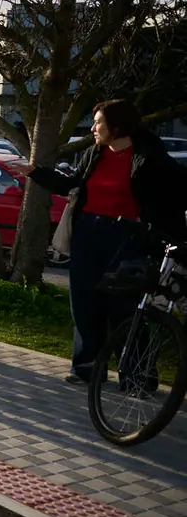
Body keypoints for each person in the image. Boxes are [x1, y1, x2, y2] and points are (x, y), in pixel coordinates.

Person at [28, 99, 187, 384]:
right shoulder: (94, 153)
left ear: (118, 125)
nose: (93, 128)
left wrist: (164, 235)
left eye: (98, 122)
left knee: (124, 306)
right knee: (84, 301)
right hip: (87, 231)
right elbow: (72, 184)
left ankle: (137, 375)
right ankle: (87, 368)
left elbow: (174, 196)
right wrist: (34, 173)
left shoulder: (150, 157)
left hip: (127, 236)